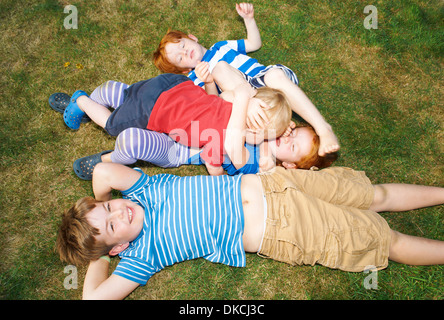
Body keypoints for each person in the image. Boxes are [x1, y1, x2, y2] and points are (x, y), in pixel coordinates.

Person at [56, 162, 444, 300]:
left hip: (276, 182)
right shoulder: (144, 254)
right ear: (119, 245)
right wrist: (101, 252)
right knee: (385, 240)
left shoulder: (143, 188)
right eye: (112, 225)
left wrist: (98, 215)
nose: (118, 211)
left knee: (374, 195)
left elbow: (104, 173)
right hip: (287, 227)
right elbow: (95, 298)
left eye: (109, 206)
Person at [152, 3, 340, 157]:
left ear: (191, 37)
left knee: (274, 75)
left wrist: (249, 20)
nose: (184, 52)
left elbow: (254, 44)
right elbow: (214, 104)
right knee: (218, 68)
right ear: (185, 70)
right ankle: (278, 121)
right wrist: (208, 81)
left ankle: (322, 127)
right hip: (242, 104)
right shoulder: (195, 79)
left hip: (263, 82)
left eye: (182, 45)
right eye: (180, 58)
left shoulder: (221, 47)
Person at [50, 64, 292, 176]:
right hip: (156, 109)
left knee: (125, 94)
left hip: (174, 85)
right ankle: (82, 102)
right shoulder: (224, 139)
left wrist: (246, 95)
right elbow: (214, 162)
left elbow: (216, 100)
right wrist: (218, 179)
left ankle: (96, 99)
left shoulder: (231, 101)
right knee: (112, 124)